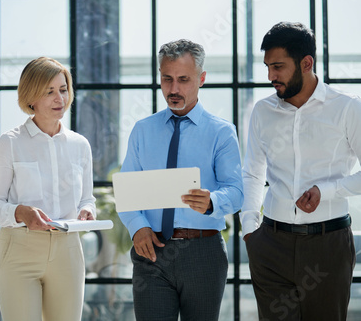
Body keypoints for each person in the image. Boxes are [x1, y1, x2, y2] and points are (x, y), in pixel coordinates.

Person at [240, 22, 361, 320]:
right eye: (268, 67)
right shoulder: (262, 111)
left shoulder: (346, 108)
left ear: (306, 63)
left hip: (327, 246)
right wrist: (249, 230)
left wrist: (327, 190)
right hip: (270, 243)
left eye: (278, 67)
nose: (271, 77)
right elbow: (253, 173)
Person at [118, 39, 244, 321]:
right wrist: (138, 228)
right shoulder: (142, 131)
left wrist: (213, 201)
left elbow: (236, 192)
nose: (173, 89)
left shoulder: (222, 133)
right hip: (151, 252)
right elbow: (126, 192)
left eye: (183, 80)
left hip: (203, 253)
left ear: (201, 79)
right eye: (167, 79)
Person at [0, 57, 96, 321]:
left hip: (68, 251)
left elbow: (87, 198)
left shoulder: (80, 145)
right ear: (31, 96)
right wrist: (21, 213)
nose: (60, 98)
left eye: (63, 89)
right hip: (20, 249)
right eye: (49, 91)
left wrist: (87, 210)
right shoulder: (9, 143)